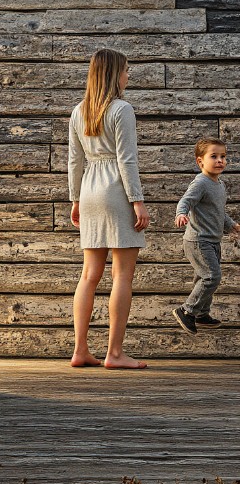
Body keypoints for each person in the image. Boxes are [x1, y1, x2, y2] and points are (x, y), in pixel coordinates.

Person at [68, 47, 150, 370]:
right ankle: (114, 353)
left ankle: (80, 350)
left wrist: (75, 199)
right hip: (116, 191)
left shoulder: (79, 111)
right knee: (122, 275)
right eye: (126, 70)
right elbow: (127, 160)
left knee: (89, 274)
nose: (128, 76)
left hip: (89, 190)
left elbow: (74, 161)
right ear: (114, 74)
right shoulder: (122, 110)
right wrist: (138, 202)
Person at [174, 136, 238, 334]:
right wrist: (181, 213)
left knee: (203, 277)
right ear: (200, 161)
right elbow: (185, 201)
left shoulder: (219, 185)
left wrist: (233, 226)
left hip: (212, 241)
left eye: (223, 156)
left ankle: (201, 314)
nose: (220, 160)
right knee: (211, 276)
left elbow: (219, 212)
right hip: (198, 240)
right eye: (214, 156)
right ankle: (187, 310)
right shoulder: (200, 183)